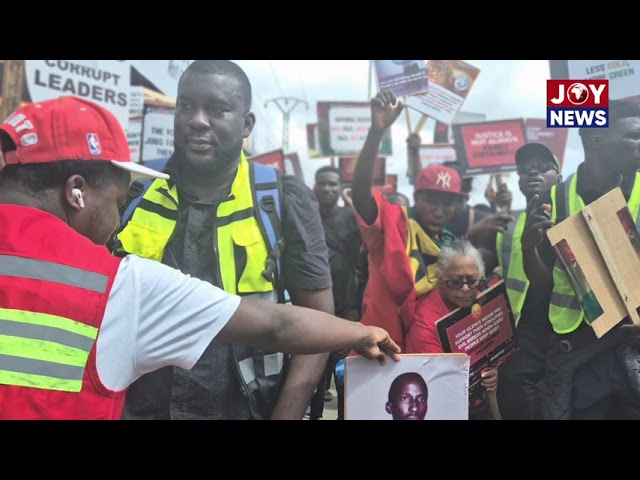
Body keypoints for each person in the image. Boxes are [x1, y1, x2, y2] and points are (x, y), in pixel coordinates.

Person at [0, 96, 401, 420]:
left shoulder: (280, 198)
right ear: (76, 192)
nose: (117, 216)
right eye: (118, 199)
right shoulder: (115, 283)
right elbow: (275, 325)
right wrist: (363, 333)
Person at [113, 60, 335, 421]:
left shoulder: (282, 198)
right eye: (186, 106)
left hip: (244, 410)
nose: (197, 120)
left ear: (247, 124)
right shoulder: (134, 188)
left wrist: (286, 414)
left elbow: (318, 320)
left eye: (216, 109)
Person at [525, 99, 640, 420]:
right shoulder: (555, 198)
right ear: (596, 141)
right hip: (578, 349)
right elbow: (543, 282)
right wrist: (527, 249)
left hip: (634, 347)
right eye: (634, 136)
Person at [351, 90, 465, 352]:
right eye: (431, 201)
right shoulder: (394, 225)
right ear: (416, 198)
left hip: (428, 351)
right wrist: (375, 133)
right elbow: (360, 196)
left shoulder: (450, 245)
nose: (439, 210)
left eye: (447, 203)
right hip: (379, 351)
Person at [494, 143, 562, 420]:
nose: (533, 172)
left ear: (559, 176)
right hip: (522, 333)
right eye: (525, 169)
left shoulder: (573, 213)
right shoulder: (507, 226)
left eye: (543, 166)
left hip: (566, 329)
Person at [404, 240, 499, 419]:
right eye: (455, 282)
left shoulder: (481, 301)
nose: (465, 289)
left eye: (472, 281)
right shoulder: (425, 323)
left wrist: (492, 374)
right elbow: (437, 384)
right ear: (441, 279)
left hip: (478, 400)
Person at [309, 165, 363, 421]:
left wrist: (352, 204)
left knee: (345, 370)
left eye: (333, 184)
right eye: (323, 184)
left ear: (341, 188)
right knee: (315, 370)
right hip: (315, 307)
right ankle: (316, 415)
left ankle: (345, 416)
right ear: (315, 187)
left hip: (347, 305)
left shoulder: (351, 217)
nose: (328, 189)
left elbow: (370, 232)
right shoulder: (307, 215)